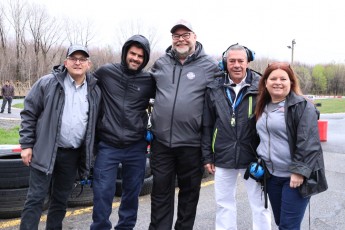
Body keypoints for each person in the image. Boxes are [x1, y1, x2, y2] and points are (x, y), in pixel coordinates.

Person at [19, 45, 101, 230]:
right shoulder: (47, 83)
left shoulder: (95, 91)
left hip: (72, 155)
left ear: (89, 64)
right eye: (73, 58)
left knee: (60, 201)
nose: (77, 62)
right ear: (66, 62)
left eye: (82, 59)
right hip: (45, 151)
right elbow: (29, 113)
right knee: (35, 199)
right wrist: (26, 145)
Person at [148, 19, 219, 230]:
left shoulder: (210, 66)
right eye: (176, 36)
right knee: (160, 193)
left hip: (192, 145)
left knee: (189, 196)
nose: (181, 39)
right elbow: (144, 90)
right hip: (162, 144)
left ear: (194, 37)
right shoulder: (161, 64)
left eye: (185, 35)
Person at [202, 44, 272, 230]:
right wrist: (208, 155)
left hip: (253, 157)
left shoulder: (262, 86)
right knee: (224, 204)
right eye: (232, 61)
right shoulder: (214, 87)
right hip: (223, 155)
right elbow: (207, 125)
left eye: (241, 60)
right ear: (225, 62)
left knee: (260, 205)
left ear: (248, 61)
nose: (236, 65)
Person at [90, 34, 155, 230]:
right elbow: (82, 83)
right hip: (108, 145)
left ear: (145, 59)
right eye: (132, 54)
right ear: (125, 53)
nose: (135, 58)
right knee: (102, 192)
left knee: (131, 194)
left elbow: (170, 96)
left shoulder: (149, 80)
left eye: (140, 56)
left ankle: (126, 227)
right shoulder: (106, 72)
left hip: (136, 146)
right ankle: (100, 227)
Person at [255, 62, 328, 229]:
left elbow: (308, 143)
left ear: (291, 83)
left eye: (283, 78)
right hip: (271, 176)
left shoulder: (302, 106)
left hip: (294, 178)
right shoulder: (262, 106)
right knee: (281, 222)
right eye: (273, 78)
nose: (278, 82)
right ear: (265, 82)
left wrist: (298, 172)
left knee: (288, 226)